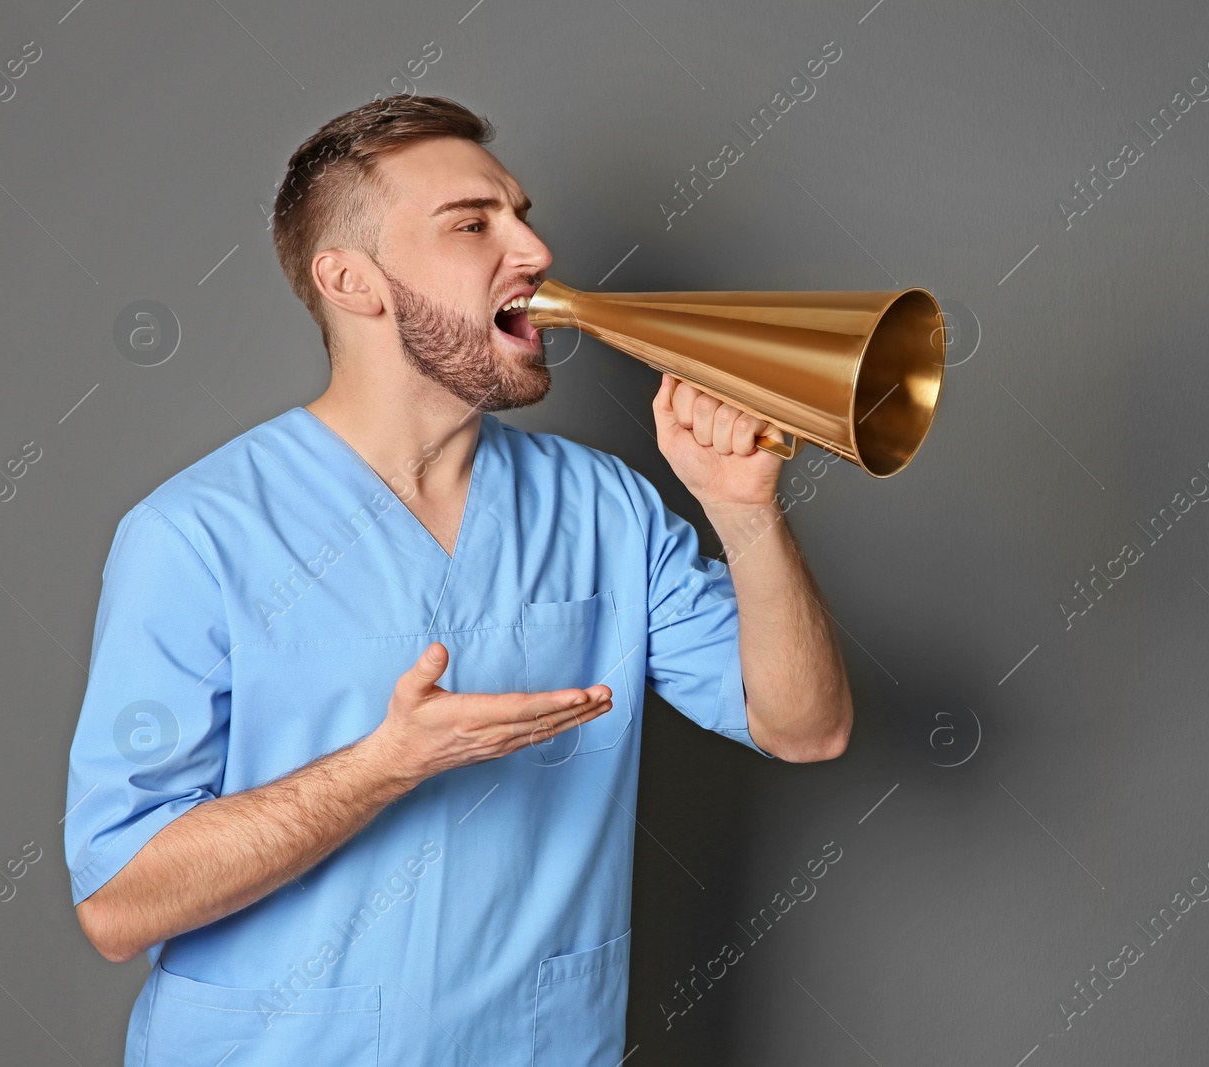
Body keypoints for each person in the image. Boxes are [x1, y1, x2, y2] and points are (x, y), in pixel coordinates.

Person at [63, 94, 852, 1066]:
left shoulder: (609, 507)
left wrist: (743, 512)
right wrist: (383, 764)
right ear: (353, 280)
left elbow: (804, 724)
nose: (532, 249)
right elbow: (116, 902)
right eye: (474, 224)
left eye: (521, 214)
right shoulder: (192, 534)